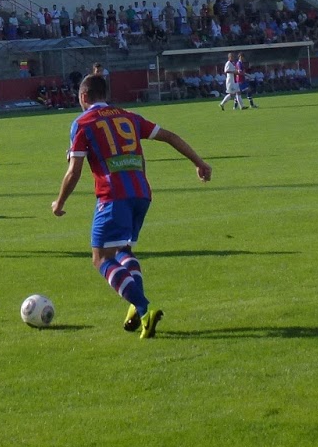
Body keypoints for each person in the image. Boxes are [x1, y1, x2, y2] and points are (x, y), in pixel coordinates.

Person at [51, 73, 213, 338]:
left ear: (83, 97)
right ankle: (136, 310)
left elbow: (74, 171)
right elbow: (170, 136)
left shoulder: (82, 123)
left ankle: (144, 307)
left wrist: (60, 202)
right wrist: (199, 162)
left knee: (101, 257)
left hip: (113, 196)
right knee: (123, 249)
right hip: (141, 194)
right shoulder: (129, 116)